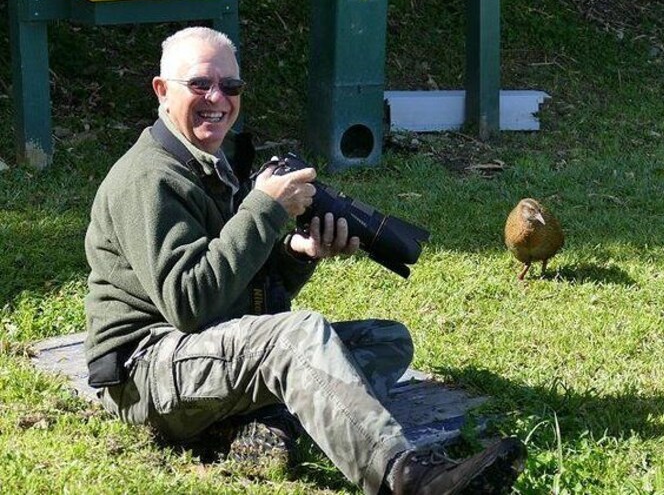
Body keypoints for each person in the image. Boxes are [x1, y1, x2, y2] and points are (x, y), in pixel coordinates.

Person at [83, 26, 526, 494]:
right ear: (161, 90)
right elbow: (191, 304)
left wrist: (296, 254)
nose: (218, 98)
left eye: (231, 87)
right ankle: (407, 477)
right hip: (147, 371)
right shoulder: (148, 177)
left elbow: (239, 292)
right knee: (299, 336)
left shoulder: (208, 161)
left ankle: (266, 425)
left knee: (386, 341)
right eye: (200, 84)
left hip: (198, 353)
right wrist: (264, 209)